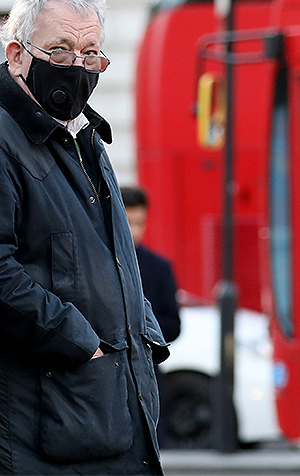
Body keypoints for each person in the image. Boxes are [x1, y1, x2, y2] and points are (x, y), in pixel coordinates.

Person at [0, 0, 169, 475]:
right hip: (44, 417)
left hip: (99, 407)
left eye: (90, 54)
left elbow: (107, 257)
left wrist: (141, 331)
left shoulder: (83, 135)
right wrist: (83, 342)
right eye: (60, 51)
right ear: (17, 54)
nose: (77, 67)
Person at [120, 185, 181, 446]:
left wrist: (143, 332)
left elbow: (173, 324)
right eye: (128, 222)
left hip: (147, 370)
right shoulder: (95, 260)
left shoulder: (159, 267)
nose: (134, 230)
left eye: (140, 222)